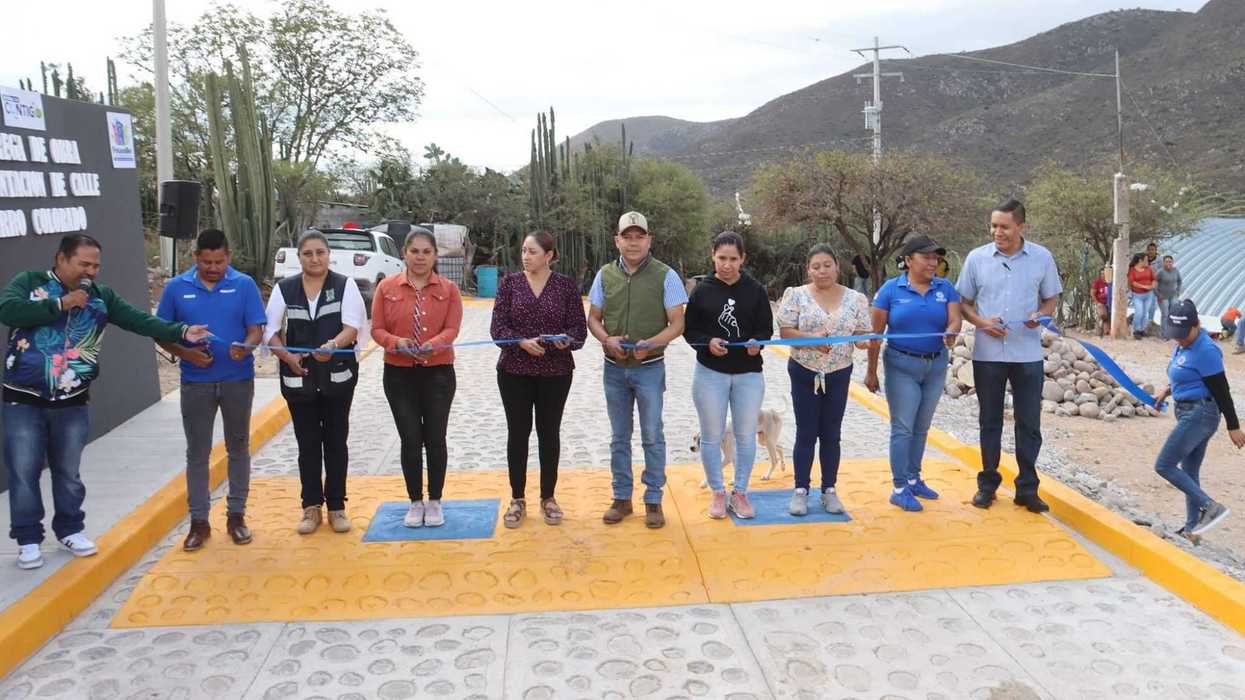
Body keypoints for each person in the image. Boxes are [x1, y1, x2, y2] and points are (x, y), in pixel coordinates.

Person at [2, 234, 209, 570]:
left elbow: (140, 321)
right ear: (61, 259)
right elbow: (8, 310)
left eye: (96, 265)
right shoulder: (30, 283)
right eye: (84, 264)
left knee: (68, 471)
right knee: (24, 470)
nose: (91, 271)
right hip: (22, 398)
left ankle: (70, 530)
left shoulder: (101, 297)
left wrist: (182, 332)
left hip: (72, 401)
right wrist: (60, 304)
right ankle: (28, 539)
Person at [156, 229, 267, 551]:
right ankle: (199, 522)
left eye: (219, 262)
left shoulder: (244, 285)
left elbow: (256, 329)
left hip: (238, 381)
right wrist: (186, 354)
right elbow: (160, 332)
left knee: (238, 448)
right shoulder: (176, 288)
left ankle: (236, 517)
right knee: (197, 453)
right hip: (195, 384)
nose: (214, 268)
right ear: (196, 257)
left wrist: (245, 347)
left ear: (228, 256)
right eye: (207, 262)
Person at [956, 198, 1061, 513]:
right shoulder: (976, 259)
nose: (997, 232)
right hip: (988, 355)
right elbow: (964, 302)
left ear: (1021, 227)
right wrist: (981, 323)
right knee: (990, 421)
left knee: (1029, 423)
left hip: (1027, 355)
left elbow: (1051, 299)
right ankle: (987, 485)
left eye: (1004, 226)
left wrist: (1040, 316)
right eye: (993, 226)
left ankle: (1027, 489)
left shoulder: (1042, 257)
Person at [587, 211, 687, 529]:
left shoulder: (666, 275)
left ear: (649, 240)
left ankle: (653, 499)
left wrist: (652, 343)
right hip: (614, 369)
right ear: (616, 240)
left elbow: (677, 324)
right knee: (619, 437)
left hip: (650, 369)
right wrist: (607, 339)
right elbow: (593, 318)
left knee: (652, 435)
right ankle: (621, 498)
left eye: (639, 236)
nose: (633, 242)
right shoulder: (604, 275)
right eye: (626, 237)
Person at [264, 231, 366, 535]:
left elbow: (352, 327)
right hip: (299, 380)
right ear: (299, 257)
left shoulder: (344, 285)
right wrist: (287, 357)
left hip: (337, 378)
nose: (315, 259)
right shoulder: (284, 289)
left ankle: (336, 506)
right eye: (308, 254)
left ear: (328, 254)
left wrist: (333, 345)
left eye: (320, 252)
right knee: (307, 444)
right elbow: (270, 332)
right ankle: (310, 507)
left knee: (336, 442)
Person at [490, 232, 587, 529]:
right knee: (518, 434)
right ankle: (517, 499)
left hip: (556, 372)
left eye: (532, 251)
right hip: (514, 371)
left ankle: (548, 497)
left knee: (549, 433)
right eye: (523, 251)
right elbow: (497, 328)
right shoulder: (509, 284)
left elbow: (579, 331)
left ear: (549, 255)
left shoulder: (566, 286)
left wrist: (565, 340)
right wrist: (520, 342)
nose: (525, 256)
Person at [864, 235, 962, 512]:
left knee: (921, 426)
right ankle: (899, 488)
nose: (933, 262)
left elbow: (955, 318)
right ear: (908, 260)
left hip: (935, 365)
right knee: (903, 427)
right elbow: (875, 335)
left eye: (935, 258)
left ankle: (913, 478)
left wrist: (952, 331)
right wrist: (871, 372)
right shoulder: (890, 290)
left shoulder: (945, 288)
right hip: (901, 365)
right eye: (926, 257)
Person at [372, 229, 462, 529]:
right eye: (414, 251)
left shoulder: (449, 289)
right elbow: (377, 329)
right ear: (404, 253)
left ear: (435, 255)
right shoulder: (386, 287)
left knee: (435, 438)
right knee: (410, 438)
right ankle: (415, 501)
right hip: (398, 375)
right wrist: (395, 342)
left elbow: (452, 328)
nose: (420, 257)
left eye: (426, 252)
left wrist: (435, 343)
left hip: (438, 374)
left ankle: (435, 500)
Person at [776, 244, 871, 516]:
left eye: (827, 265)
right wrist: (810, 340)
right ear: (808, 270)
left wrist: (864, 342)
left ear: (837, 267)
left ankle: (829, 489)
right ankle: (800, 490)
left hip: (839, 373)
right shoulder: (796, 295)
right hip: (803, 371)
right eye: (816, 266)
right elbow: (785, 332)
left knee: (831, 433)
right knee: (806, 432)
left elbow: (863, 333)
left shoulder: (856, 299)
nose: (822, 271)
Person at [684, 231, 773, 519]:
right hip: (710, 373)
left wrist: (757, 343)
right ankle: (718, 493)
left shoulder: (755, 290)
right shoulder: (701, 290)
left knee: (746, 436)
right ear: (713, 256)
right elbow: (690, 330)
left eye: (733, 259)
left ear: (742, 259)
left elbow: (765, 328)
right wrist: (707, 342)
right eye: (721, 258)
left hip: (748, 374)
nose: (727, 264)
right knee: (711, 436)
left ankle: (741, 492)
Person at [1152, 299, 1245, 541]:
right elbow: (1187, 375)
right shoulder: (1183, 345)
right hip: (1188, 411)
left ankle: (1210, 507)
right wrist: (1167, 391)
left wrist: (1233, 426)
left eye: (1184, 333)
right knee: (1190, 470)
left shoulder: (1206, 350)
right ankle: (1192, 528)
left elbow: (1222, 390)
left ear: (1197, 325)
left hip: (1200, 414)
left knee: (1164, 465)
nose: (1180, 338)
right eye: (1176, 333)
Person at [1128, 253, 1157, 339]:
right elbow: (1132, 282)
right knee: (1139, 312)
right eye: (1146, 260)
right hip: (1137, 294)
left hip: (1148, 294)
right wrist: (1145, 286)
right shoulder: (1132, 270)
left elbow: (1154, 279)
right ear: (1140, 260)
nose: (1148, 261)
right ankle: (1136, 330)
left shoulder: (1149, 269)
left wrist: (1153, 285)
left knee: (1145, 313)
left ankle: (1142, 330)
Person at [1155, 255, 1183, 338]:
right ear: (1163, 263)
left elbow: (1179, 281)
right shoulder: (1160, 272)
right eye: (1166, 261)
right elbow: (1154, 284)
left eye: (1170, 262)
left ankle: (1171, 332)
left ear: (1172, 262)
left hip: (1173, 296)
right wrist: (1158, 295)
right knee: (1165, 314)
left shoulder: (1176, 270)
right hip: (1163, 297)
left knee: (1173, 314)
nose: (1168, 263)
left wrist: (1178, 291)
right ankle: (1164, 334)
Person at [1091, 265, 1112, 337]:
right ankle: (1100, 332)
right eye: (1101, 273)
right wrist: (1097, 303)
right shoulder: (1097, 282)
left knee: (1109, 317)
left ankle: (1106, 333)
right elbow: (1092, 293)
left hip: (1111, 303)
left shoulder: (1112, 282)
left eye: (1104, 273)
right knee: (1103, 315)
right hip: (1101, 303)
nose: (1103, 275)